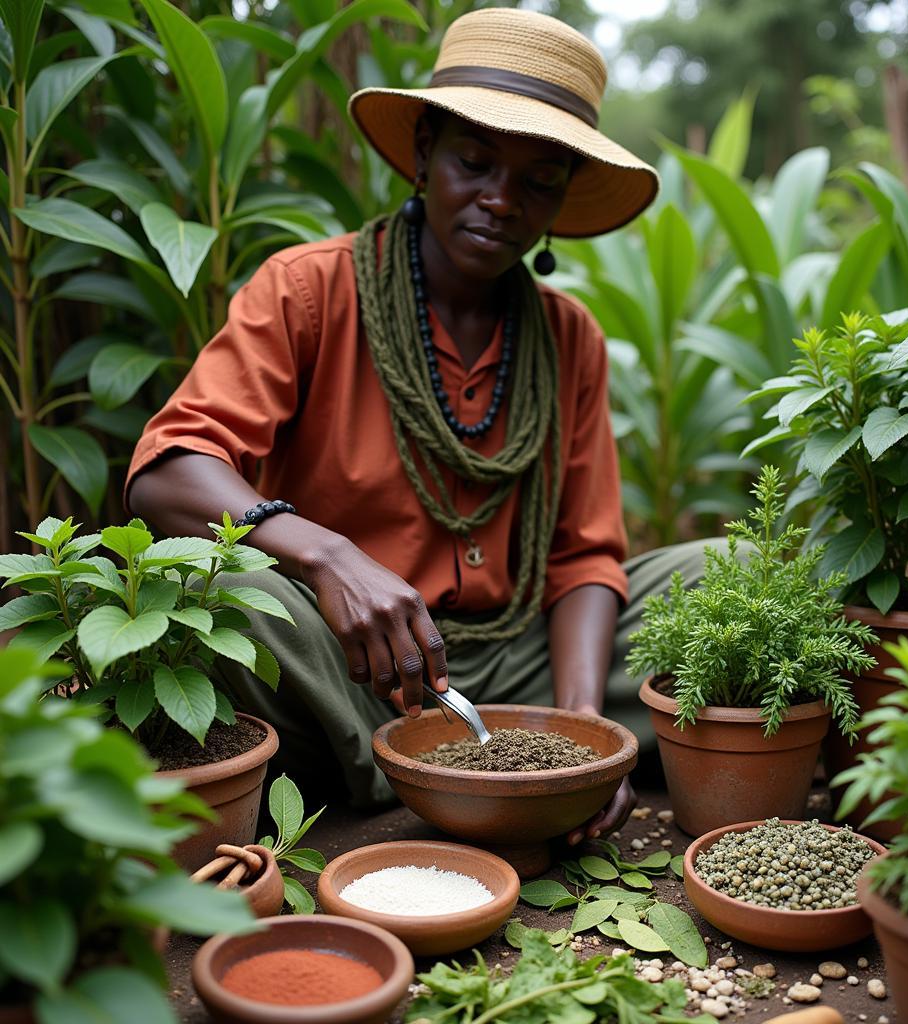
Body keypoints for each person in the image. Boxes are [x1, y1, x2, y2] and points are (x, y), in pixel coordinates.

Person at [126, 8, 714, 844]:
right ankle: (401, 763)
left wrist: (586, 729)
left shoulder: (568, 337)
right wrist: (328, 556)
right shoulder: (308, 290)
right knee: (233, 595)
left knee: (727, 573)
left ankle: (445, 771)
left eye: (540, 181)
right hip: (347, 661)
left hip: (524, 661)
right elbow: (166, 469)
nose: (502, 200)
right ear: (423, 155)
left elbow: (585, 554)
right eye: (474, 162)